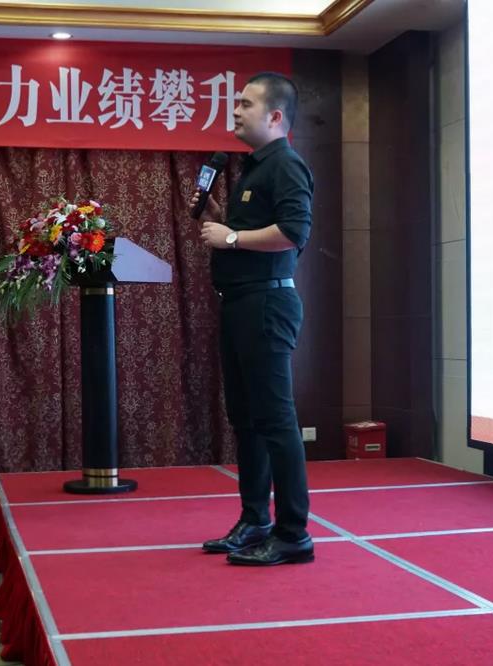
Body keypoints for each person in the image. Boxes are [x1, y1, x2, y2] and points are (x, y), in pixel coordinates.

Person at [189, 72, 315, 566]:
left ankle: (293, 534)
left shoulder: (285, 164)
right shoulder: (254, 166)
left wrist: (233, 238)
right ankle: (254, 520)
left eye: (245, 103)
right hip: (241, 303)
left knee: (276, 421)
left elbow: (294, 231)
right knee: (246, 420)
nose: (235, 110)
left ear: (275, 116)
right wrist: (222, 221)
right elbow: (253, 231)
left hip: (266, 304)